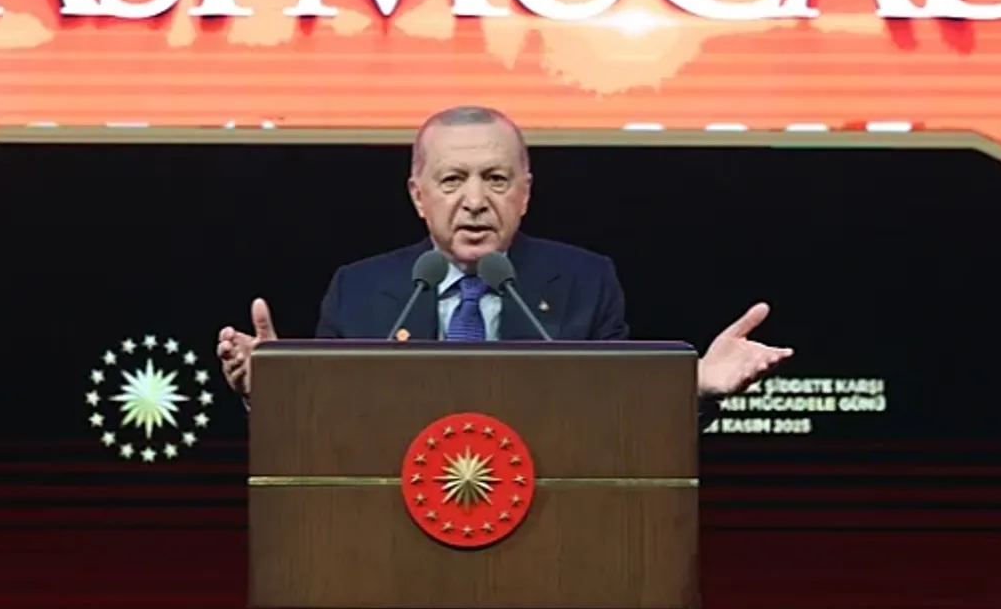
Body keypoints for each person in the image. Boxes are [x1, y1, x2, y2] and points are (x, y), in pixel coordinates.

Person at [217, 106, 793, 414]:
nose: (474, 201)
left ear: (525, 193)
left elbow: (622, 417)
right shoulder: (360, 290)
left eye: (495, 179)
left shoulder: (585, 281)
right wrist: (272, 394)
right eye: (452, 180)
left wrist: (695, 387)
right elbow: (326, 429)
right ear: (418, 196)